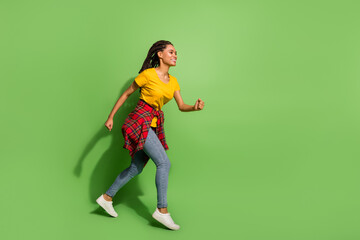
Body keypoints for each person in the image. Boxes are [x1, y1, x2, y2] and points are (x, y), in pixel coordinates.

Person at [96, 40, 205, 230]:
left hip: (153, 125)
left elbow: (181, 106)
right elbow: (126, 94)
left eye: (176, 53)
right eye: (171, 52)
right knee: (164, 163)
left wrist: (194, 108)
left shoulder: (174, 82)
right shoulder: (148, 75)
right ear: (160, 55)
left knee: (136, 167)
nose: (175, 55)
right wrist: (111, 117)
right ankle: (162, 211)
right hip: (139, 120)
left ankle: (106, 198)